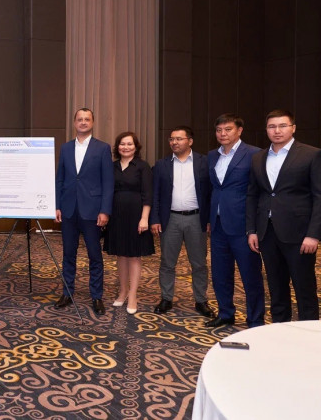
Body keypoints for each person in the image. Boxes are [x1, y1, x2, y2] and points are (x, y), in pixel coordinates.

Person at [246, 109, 321, 322]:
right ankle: (280, 328)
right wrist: (252, 230)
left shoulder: (312, 154)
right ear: (266, 130)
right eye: (272, 126)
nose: (277, 130)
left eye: (282, 126)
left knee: (304, 287)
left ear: (293, 128)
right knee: (276, 287)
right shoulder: (258, 158)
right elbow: (253, 196)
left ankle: (309, 331)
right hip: (267, 232)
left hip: (299, 234)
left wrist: (314, 234)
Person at [206, 114, 264, 328]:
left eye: (228, 129)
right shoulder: (212, 155)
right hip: (218, 224)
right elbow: (213, 188)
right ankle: (225, 313)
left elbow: (259, 191)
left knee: (250, 275)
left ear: (239, 131)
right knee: (220, 273)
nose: (223, 134)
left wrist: (254, 226)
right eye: (219, 130)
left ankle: (255, 319)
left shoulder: (254, 154)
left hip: (243, 225)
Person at [150, 126, 214, 318]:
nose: (174, 142)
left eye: (179, 139)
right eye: (171, 139)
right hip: (170, 219)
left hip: (197, 219)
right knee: (167, 262)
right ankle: (166, 298)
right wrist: (155, 219)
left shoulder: (205, 162)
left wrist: (210, 219)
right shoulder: (162, 165)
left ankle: (201, 300)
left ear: (190, 141)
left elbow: (211, 193)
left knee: (199, 263)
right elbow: (155, 194)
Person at [54, 108, 114, 315]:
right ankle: (67, 293)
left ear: (93, 123)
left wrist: (105, 210)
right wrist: (57, 205)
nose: (83, 122)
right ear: (74, 123)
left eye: (87, 119)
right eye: (79, 119)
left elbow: (108, 182)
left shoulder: (102, 148)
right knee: (68, 254)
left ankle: (96, 296)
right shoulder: (66, 147)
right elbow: (60, 179)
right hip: (69, 209)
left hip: (93, 210)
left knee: (94, 255)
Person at [103, 132, 154, 315]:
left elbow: (148, 194)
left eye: (129, 144)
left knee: (134, 256)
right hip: (116, 215)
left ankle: (133, 295)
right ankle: (123, 291)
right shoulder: (112, 166)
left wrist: (144, 218)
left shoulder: (142, 166)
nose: (126, 147)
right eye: (122, 144)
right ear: (117, 147)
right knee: (121, 255)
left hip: (136, 216)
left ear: (136, 146)